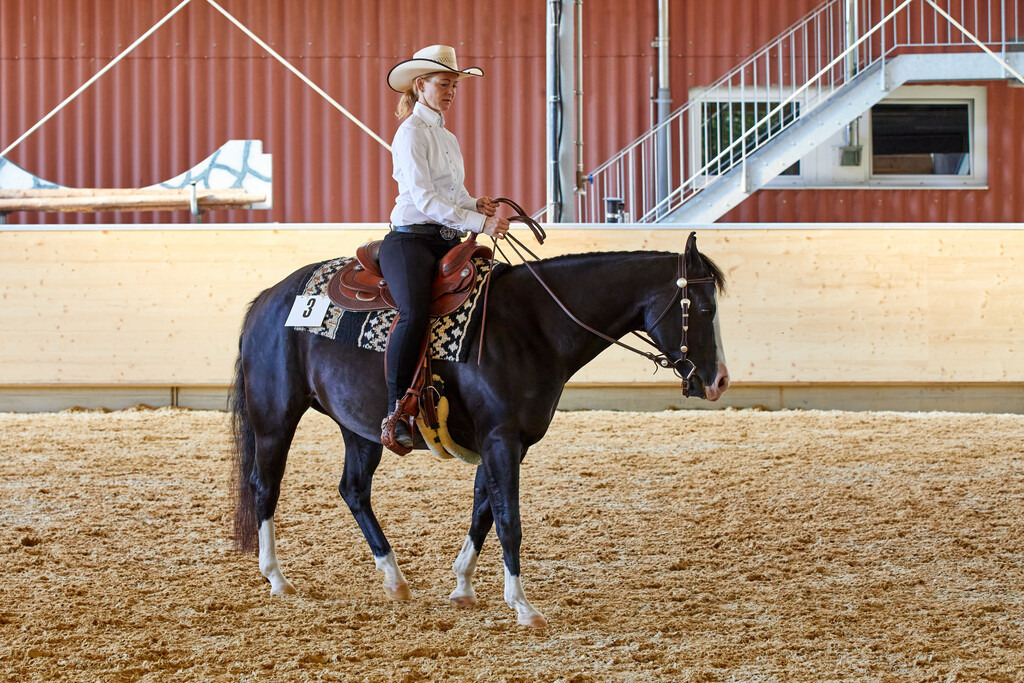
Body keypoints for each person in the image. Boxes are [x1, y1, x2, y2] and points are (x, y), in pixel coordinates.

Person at [380, 45, 510, 451]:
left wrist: (475, 204)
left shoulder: (448, 137)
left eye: (454, 84)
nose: (451, 91)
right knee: (415, 311)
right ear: (421, 86)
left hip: (445, 237)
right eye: (444, 84)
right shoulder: (410, 134)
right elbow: (424, 199)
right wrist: (481, 222)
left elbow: (451, 195)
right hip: (411, 240)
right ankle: (396, 409)